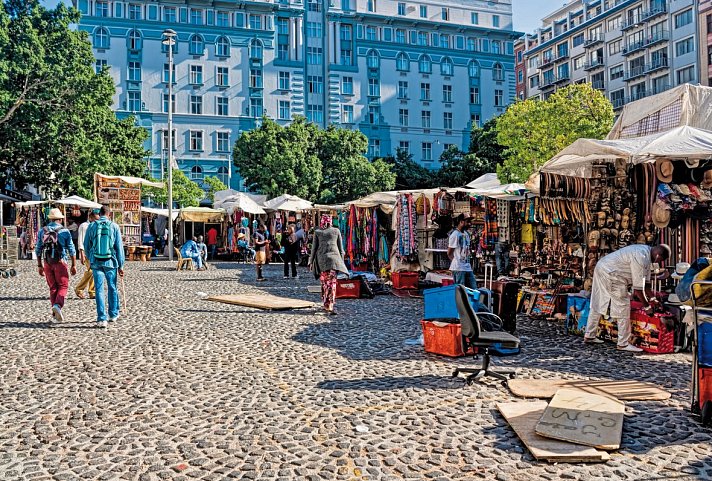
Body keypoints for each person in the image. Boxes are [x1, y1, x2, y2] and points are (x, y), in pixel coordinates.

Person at [583, 243, 671, 352]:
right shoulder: (641, 257)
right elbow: (638, 288)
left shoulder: (646, 253)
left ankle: (589, 334)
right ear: (658, 256)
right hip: (613, 274)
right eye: (661, 260)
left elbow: (646, 284)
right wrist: (647, 307)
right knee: (622, 307)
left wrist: (653, 299)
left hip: (603, 267)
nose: (659, 263)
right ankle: (623, 343)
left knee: (599, 301)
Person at [84, 205, 125, 328]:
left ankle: (102, 318)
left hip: (96, 262)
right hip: (111, 262)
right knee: (112, 287)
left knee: (99, 289)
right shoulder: (114, 226)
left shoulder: (91, 226)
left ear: (99, 213)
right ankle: (113, 314)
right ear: (109, 214)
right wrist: (121, 265)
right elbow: (119, 247)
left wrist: (90, 258)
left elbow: (86, 245)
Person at [35, 208, 77, 323]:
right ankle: (58, 306)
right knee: (63, 286)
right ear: (60, 219)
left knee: (53, 287)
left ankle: (55, 315)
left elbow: (38, 249)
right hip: (60, 262)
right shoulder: (64, 231)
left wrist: (39, 265)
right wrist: (74, 264)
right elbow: (71, 249)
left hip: (47, 262)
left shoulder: (42, 231)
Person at [308, 215, 348, 315]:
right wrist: (341, 262)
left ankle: (326, 303)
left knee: (325, 283)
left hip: (322, 260)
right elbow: (341, 249)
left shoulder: (317, 232)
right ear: (330, 221)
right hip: (334, 260)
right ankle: (330, 304)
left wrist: (311, 261)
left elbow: (314, 249)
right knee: (332, 283)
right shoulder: (336, 231)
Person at [75, 209, 99, 299]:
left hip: (94, 252)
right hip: (87, 252)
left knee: (94, 271)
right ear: (90, 217)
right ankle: (79, 288)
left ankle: (92, 291)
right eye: (95, 219)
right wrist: (81, 252)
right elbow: (81, 239)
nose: (96, 221)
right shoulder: (84, 226)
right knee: (91, 270)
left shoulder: (95, 225)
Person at [448, 213, 476, 289]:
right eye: (468, 222)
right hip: (459, 268)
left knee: (473, 289)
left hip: (467, 266)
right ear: (461, 222)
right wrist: (457, 261)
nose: (470, 224)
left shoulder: (466, 234)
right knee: (461, 291)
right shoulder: (455, 235)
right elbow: (449, 253)